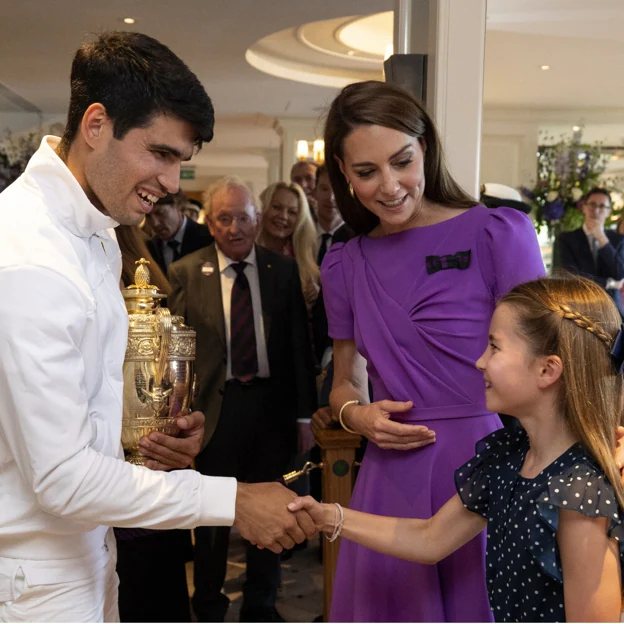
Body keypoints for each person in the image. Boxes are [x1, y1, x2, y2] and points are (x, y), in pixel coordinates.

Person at [0, 31, 315, 623]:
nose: (173, 183)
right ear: (96, 126)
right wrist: (232, 500)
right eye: (161, 153)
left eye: (179, 161)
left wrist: (147, 437)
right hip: (31, 578)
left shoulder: (93, 232)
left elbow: (78, 407)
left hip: (88, 554)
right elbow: (60, 477)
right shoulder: (29, 254)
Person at [317, 80, 545, 622]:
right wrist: (358, 415)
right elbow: (345, 380)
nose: (390, 186)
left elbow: (547, 363)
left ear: (427, 150)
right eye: (367, 172)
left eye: (402, 162)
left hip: (492, 457)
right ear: (344, 174)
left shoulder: (497, 233)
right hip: (389, 471)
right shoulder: (345, 264)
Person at [291, 274, 624, 623]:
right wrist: (330, 516)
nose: (479, 361)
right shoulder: (508, 456)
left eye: (494, 347)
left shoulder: (579, 492)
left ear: (547, 369)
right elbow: (431, 537)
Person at [168, 176, 318, 622]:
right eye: (224, 219)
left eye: (243, 218)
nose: (235, 228)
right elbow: (178, 354)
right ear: (209, 224)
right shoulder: (186, 272)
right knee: (213, 511)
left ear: (257, 220)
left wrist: (306, 415)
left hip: (272, 409)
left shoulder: (281, 269)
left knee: (275, 504)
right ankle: (210, 604)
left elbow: (299, 349)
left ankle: (261, 604)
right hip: (213, 411)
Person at [555, 188, 624, 317]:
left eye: (602, 206)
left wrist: (602, 238)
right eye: (592, 204)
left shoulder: (618, 240)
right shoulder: (566, 239)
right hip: (578, 307)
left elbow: (619, 273)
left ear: (609, 212)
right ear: (584, 207)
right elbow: (570, 276)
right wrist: (609, 283)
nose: (596, 210)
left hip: (613, 310)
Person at [257, 181, 320, 311]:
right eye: (276, 207)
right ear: (262, 208)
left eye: (292, 212)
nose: (283, 216)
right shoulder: (246, 251)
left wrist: (317, 295)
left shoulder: (304, 258)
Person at [146, 190, 213, 275]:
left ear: (179, 207)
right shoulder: (150, 247)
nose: (155, 223)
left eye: (160, 213)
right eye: (148, 216)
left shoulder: (208, 238)